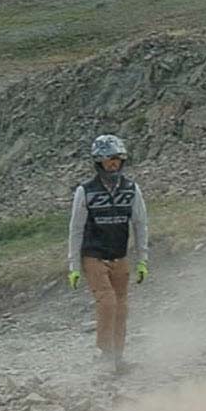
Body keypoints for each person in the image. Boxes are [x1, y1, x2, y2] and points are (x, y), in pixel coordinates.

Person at [66, 133, 150, 373]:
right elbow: (76, 229)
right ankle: (105, 353)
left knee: (121, 307)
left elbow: (140, 225)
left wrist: (142, 260)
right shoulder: (85, 192)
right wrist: (74, 266)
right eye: (108, 160)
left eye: (117, 159)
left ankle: (118, 357)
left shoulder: (132, 190)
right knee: (107, 302)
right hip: (94, 257)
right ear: (98, 162)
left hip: (120, 256)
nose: (113, 164)